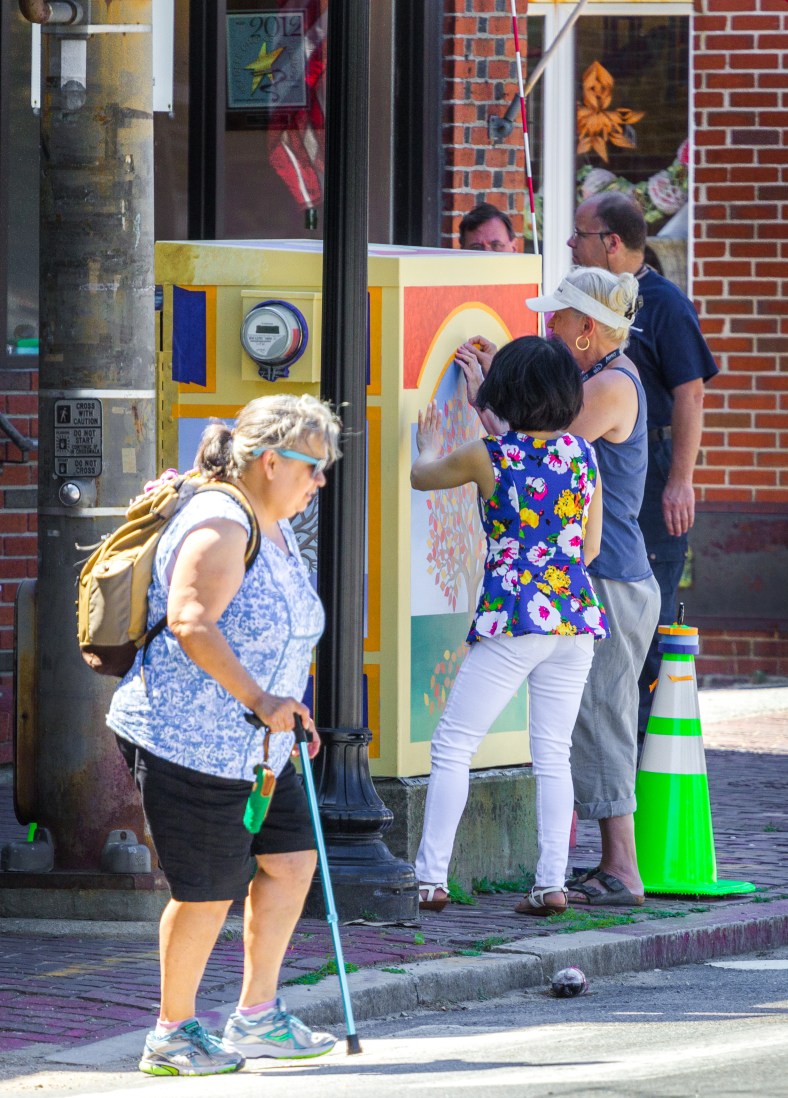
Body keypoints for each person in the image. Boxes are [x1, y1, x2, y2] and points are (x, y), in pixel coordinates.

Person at [107, 394, 342, 1077]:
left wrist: (286, 707)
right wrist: (263, 697)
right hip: (193, 738)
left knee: (292, 861)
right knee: (207, 889)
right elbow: (190, 620)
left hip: (263, 743)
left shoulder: (275, 520)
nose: (320, 481)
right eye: (313, 467)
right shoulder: (219, 519)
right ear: (271, 461)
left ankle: (259, 1015)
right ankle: (171, 1034)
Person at [457, 268, 661, 907]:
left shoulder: (607, 387)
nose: (550, 325)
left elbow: (540, 471)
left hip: (607, 577)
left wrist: (489, 406)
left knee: (602, 720)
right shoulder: (602, 378)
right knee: (586, 723)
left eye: (559, 319)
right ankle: (601, 866)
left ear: (588, 330)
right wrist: (508, 383)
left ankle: (621, 870)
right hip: (596, 576)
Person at [413, 336, 608, 918]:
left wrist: (424, 444)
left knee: (453, 746)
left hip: (513, 616)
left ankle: (429, 880)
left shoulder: (486, 455)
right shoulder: (581, 455)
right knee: (553, 753)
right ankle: (551, 883)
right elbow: (590, 548)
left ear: (505, 393)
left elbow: (423, 478)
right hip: (574, 617)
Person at [568, 192, 718, 741]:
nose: (568, 243)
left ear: (611, 242)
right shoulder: (588, 301)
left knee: (643, 625)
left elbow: (691, 395)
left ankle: (639, 761)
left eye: (578, 234)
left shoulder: (665, 304)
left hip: (648, 469)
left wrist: (681, 480)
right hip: (604, 464)